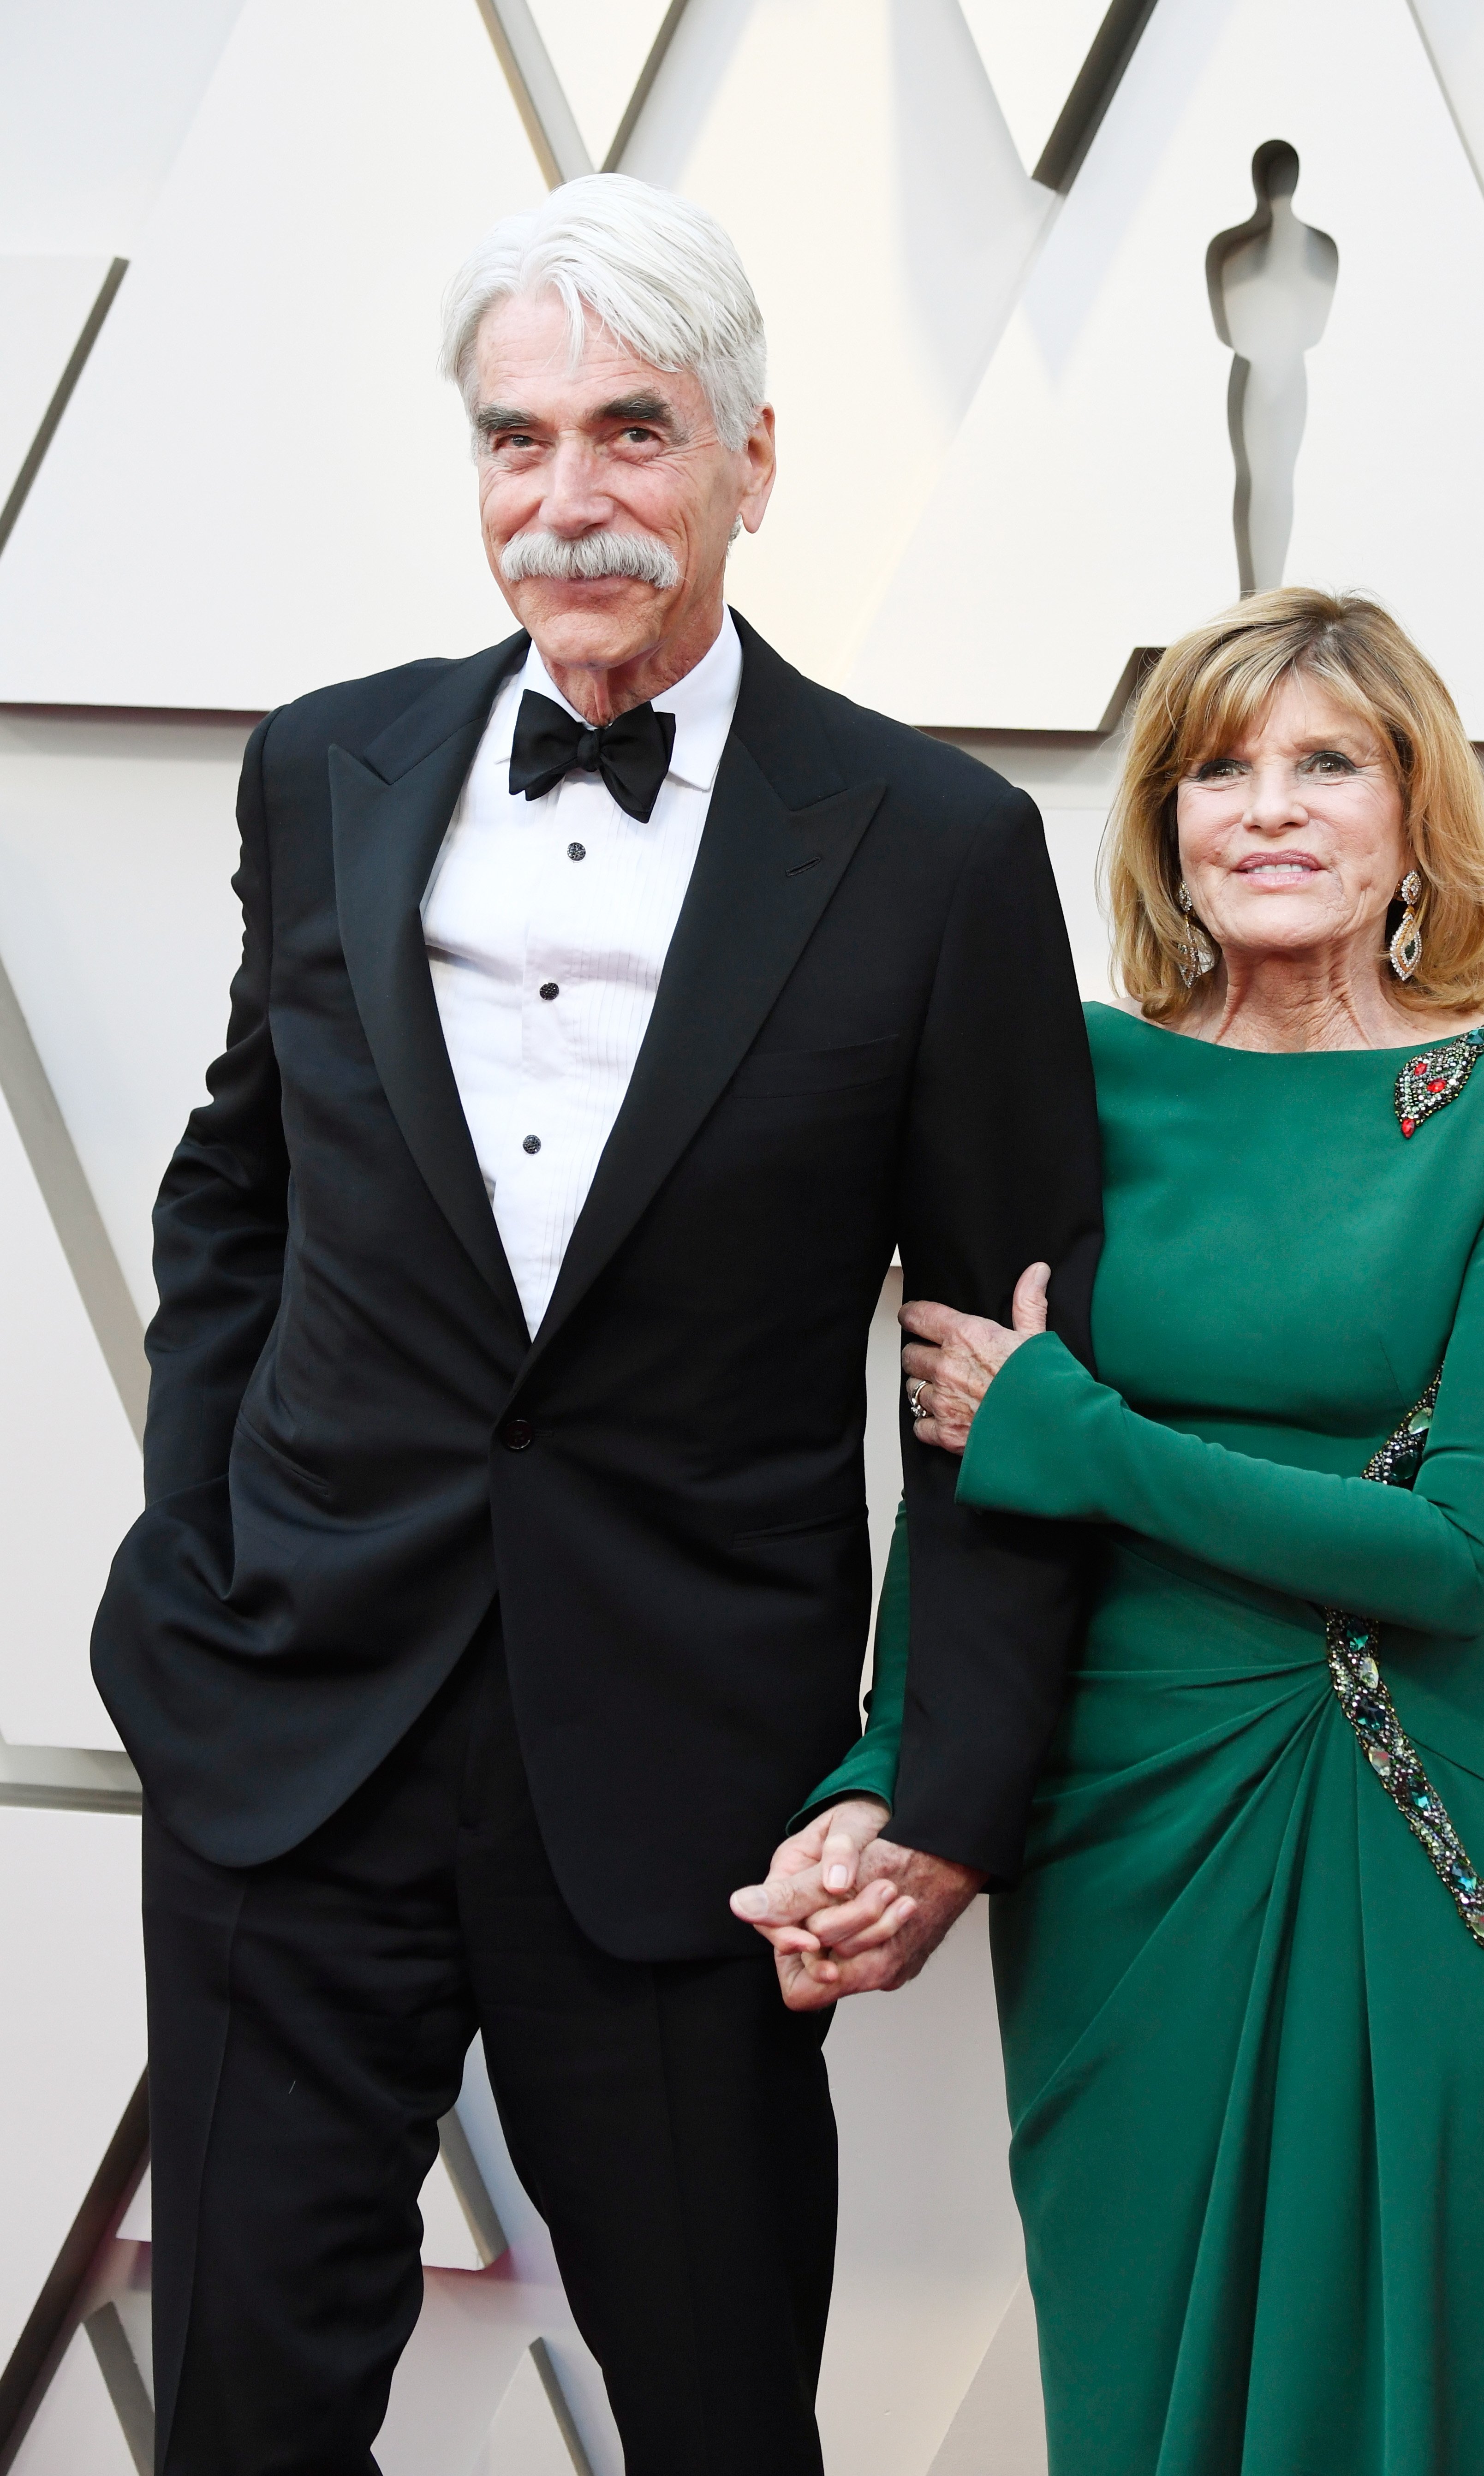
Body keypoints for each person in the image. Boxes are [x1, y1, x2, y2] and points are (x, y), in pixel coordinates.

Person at [92, 174, 1103, 2476]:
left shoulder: (934, 847)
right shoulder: (323, 765)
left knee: (726, 2419)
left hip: (687, 1779)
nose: (568, 501)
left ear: (754, 458)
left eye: (633, 432)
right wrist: (187, 1579)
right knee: (242, 2418)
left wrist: (934, 1790)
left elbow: (1009, 1383)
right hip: (288, 1742)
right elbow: (236, 1197)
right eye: (513, 438)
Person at [739, 589, 1484, 2476]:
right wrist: (886, 1770)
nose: (1268, 808)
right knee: (1141, 2408)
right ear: (1162, 823)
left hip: (1405, 1828)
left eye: (1325, 762)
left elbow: (1460, 1549)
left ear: (1411, 817)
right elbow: (963, 1504)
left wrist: (1077, 1428)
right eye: (1218, 767)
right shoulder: (1068, 1071)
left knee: (1418, 2414)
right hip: (1109, 1837)